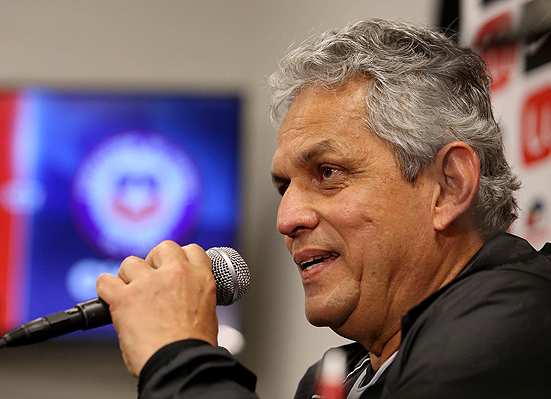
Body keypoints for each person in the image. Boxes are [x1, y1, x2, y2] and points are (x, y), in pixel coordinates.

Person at [95, 19, 551, 398]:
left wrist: (179, 356)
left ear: (448, 187)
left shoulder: (523, 321)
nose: (287, 219)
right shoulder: (333, 377)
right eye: (283, 187)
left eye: (328, 173)